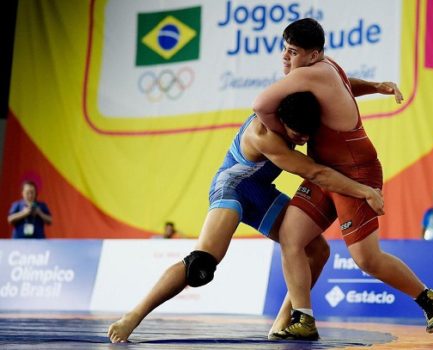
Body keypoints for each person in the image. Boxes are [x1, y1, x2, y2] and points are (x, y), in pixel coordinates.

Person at [107, 91, 385, 343]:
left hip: (260, 191)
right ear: (282, 122)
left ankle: (282, 323)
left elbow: (338, 90)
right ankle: (133, 316)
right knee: (200, 264)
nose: (302, 140)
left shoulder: (294, 105)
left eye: (306, 135)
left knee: (318, 250)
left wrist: (375, 86)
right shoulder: (264, 134)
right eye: (296, 135)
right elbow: (316, 173)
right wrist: (364, 191)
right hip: (231, 187)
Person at [253, 18, 433, 340]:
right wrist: (375, 86)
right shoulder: (326, 68)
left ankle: (427, 297)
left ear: (314, 54)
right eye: (285, 51)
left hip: (357, 172)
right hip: (325, 172)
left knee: (366, 259)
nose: (288, 59)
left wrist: (281, 134)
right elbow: (345, 86)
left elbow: (260, 105)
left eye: (294, 52)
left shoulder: (310, 72)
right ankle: (304, 318)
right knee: (291, 238)